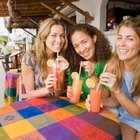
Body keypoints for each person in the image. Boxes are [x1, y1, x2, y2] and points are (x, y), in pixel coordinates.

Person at [86, 17, 140, 139]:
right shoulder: (113, 66)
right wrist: (100, 102)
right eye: (120, 37)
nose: (122, 43)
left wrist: (117, 90)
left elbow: (137, 112)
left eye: (130, 39)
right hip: (127, 117)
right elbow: (115, 101)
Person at [21, 18, 69, 99]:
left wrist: (60, 74)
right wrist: (46, 89)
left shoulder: (62, 59)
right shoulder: (30, 58)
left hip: (55, 106)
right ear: (43, 37)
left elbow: (57, 94)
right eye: (54, 35)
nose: (59, 40)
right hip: (37, 107)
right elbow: (29, 94)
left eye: (62, 36)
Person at [66, 24, 112, 100]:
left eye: (84, 42)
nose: (82, 49)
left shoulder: (109, 63)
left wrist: (93, 76)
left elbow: (106, 97)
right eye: (76, 46)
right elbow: (72, 92)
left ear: (94, 38)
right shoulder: (75, 66)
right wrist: (70, 92)